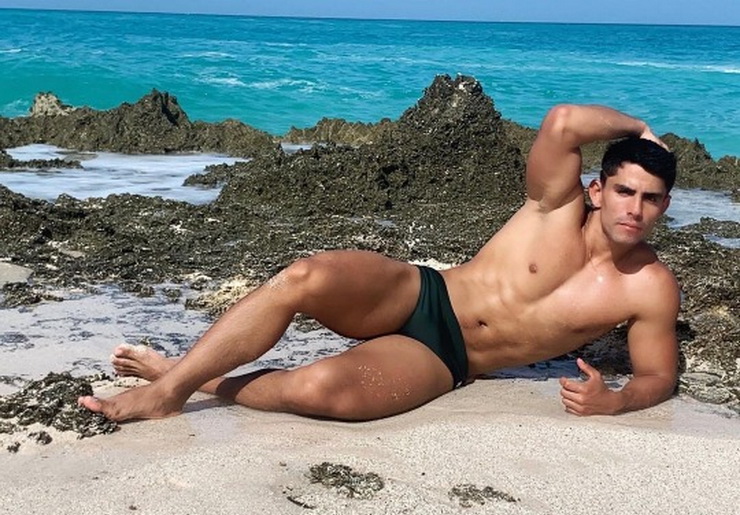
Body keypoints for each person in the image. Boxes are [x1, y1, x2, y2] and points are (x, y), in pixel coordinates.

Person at [78, 103, 679, 422]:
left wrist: (616, 400)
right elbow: (564, 122)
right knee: (305, 276)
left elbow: (658, 377)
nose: (634, 208)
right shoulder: (556, 204)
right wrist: (643, 129)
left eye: (650, 199)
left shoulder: (648, 287)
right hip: (421, 293)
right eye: (624, 191)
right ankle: (171, 391)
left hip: (447, 359)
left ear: (664, 207)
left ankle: (178, 371)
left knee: (318, 391)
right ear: (598, 189)